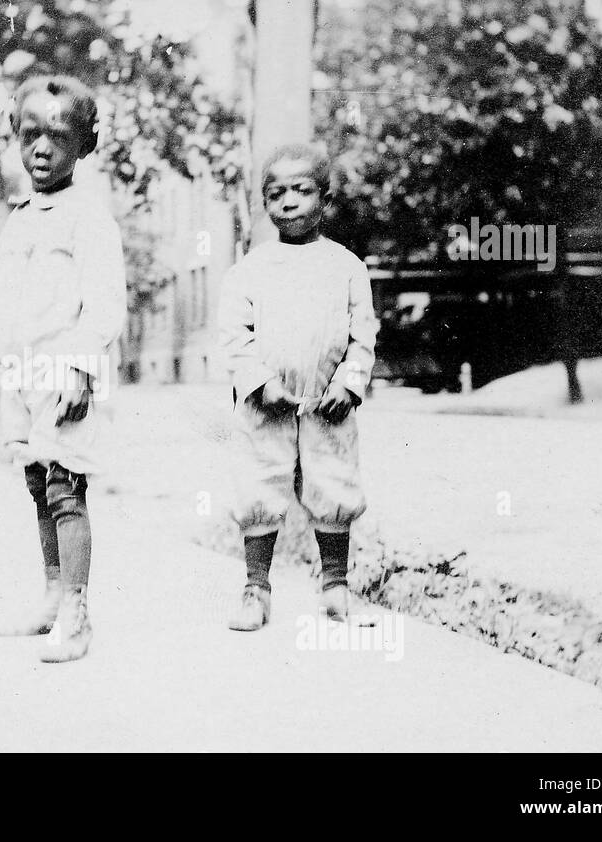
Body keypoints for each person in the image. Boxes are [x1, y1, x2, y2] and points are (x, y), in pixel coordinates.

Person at [0, 75, 127, 663]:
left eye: (60, 136)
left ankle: (77, 614)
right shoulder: (21, 219)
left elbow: (106, 304)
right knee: (37, 484)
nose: (42, 148)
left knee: (65, 488)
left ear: (87, 143)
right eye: (29, 135)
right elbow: (3, 306)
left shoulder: (90, 218)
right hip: (21, 377)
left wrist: (82, 371)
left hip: (64, 374)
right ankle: (54, 595)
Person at [217, 143, 379, 630]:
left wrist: (349, 385)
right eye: (275, 193)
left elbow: (363, 333)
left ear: (325, 199)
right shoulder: (250, 270)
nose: (288, 202)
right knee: (260, 486)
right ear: (264, 204)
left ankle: (335, 587)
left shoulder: (347, 266)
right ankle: (255, 590)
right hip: (266, 404)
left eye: (301, 191)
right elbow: (234, 336)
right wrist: (260, 384)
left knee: (333, 484)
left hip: (327, 401)